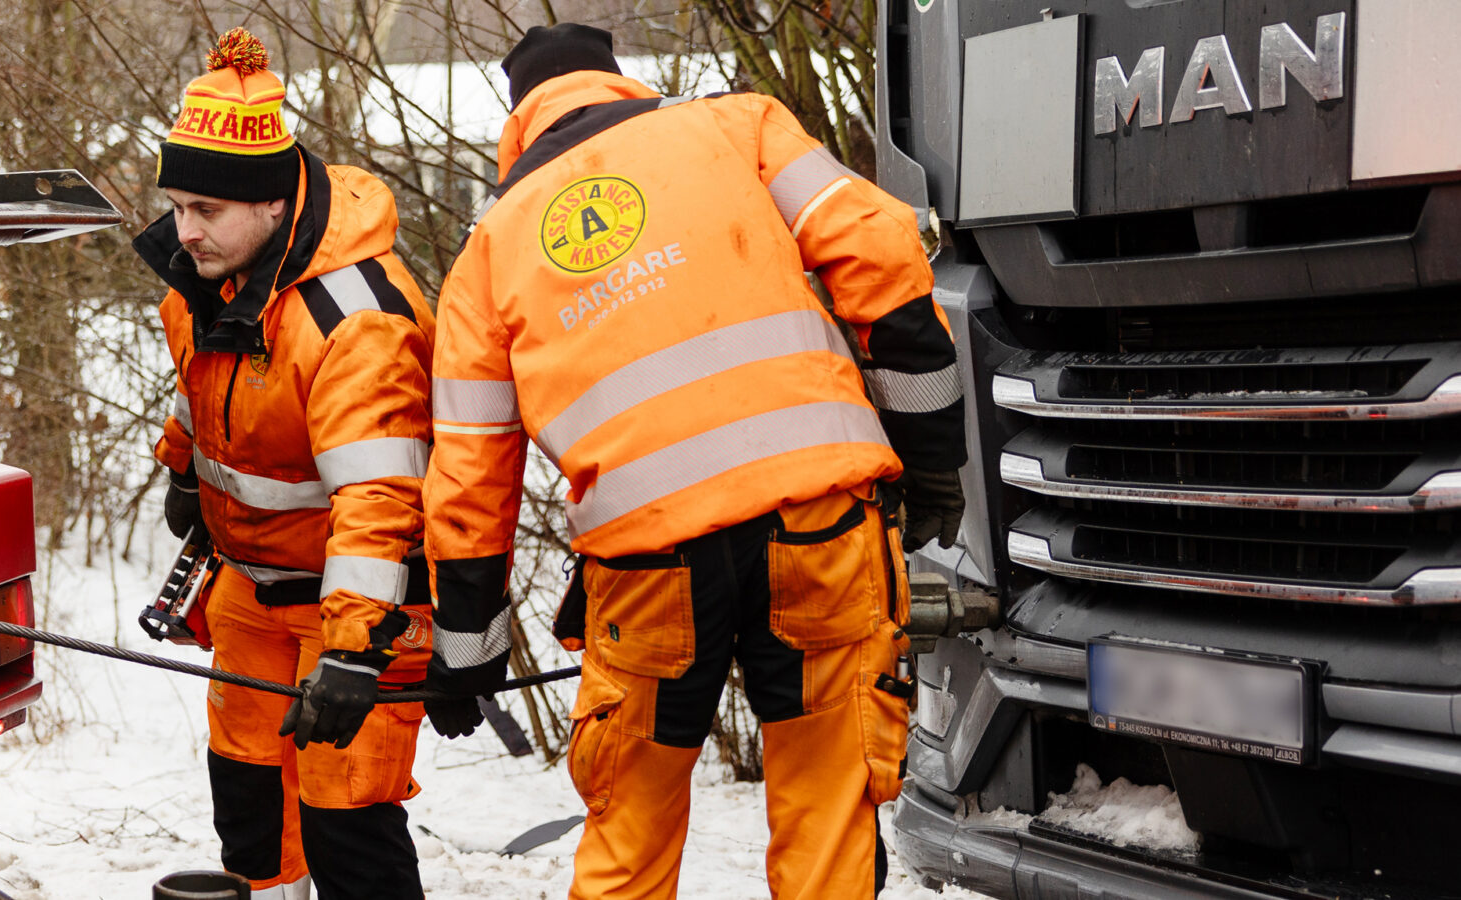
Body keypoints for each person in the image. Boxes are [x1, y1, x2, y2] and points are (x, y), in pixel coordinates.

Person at [419, 23, 966, 900]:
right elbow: (881, 251)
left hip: (649, 566)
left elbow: (470, 476)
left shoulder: (486, 255)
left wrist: (468, 654)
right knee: (829, 812)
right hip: (818, 522)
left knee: (628, 838)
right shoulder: (739, 126)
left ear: (517, 124)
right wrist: (931, 455)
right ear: (618, 81)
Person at [133, 27, 439, 900]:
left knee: (348, 827)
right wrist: (182, 469)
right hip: (249, 588)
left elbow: (379, 497)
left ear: (272, 203)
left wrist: (353, 651)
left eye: (206, 209)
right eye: (177, 205)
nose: (184, 231)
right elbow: (200, 389)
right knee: (249, 810)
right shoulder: (204, 283)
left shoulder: (356, 322)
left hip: (356, 606)